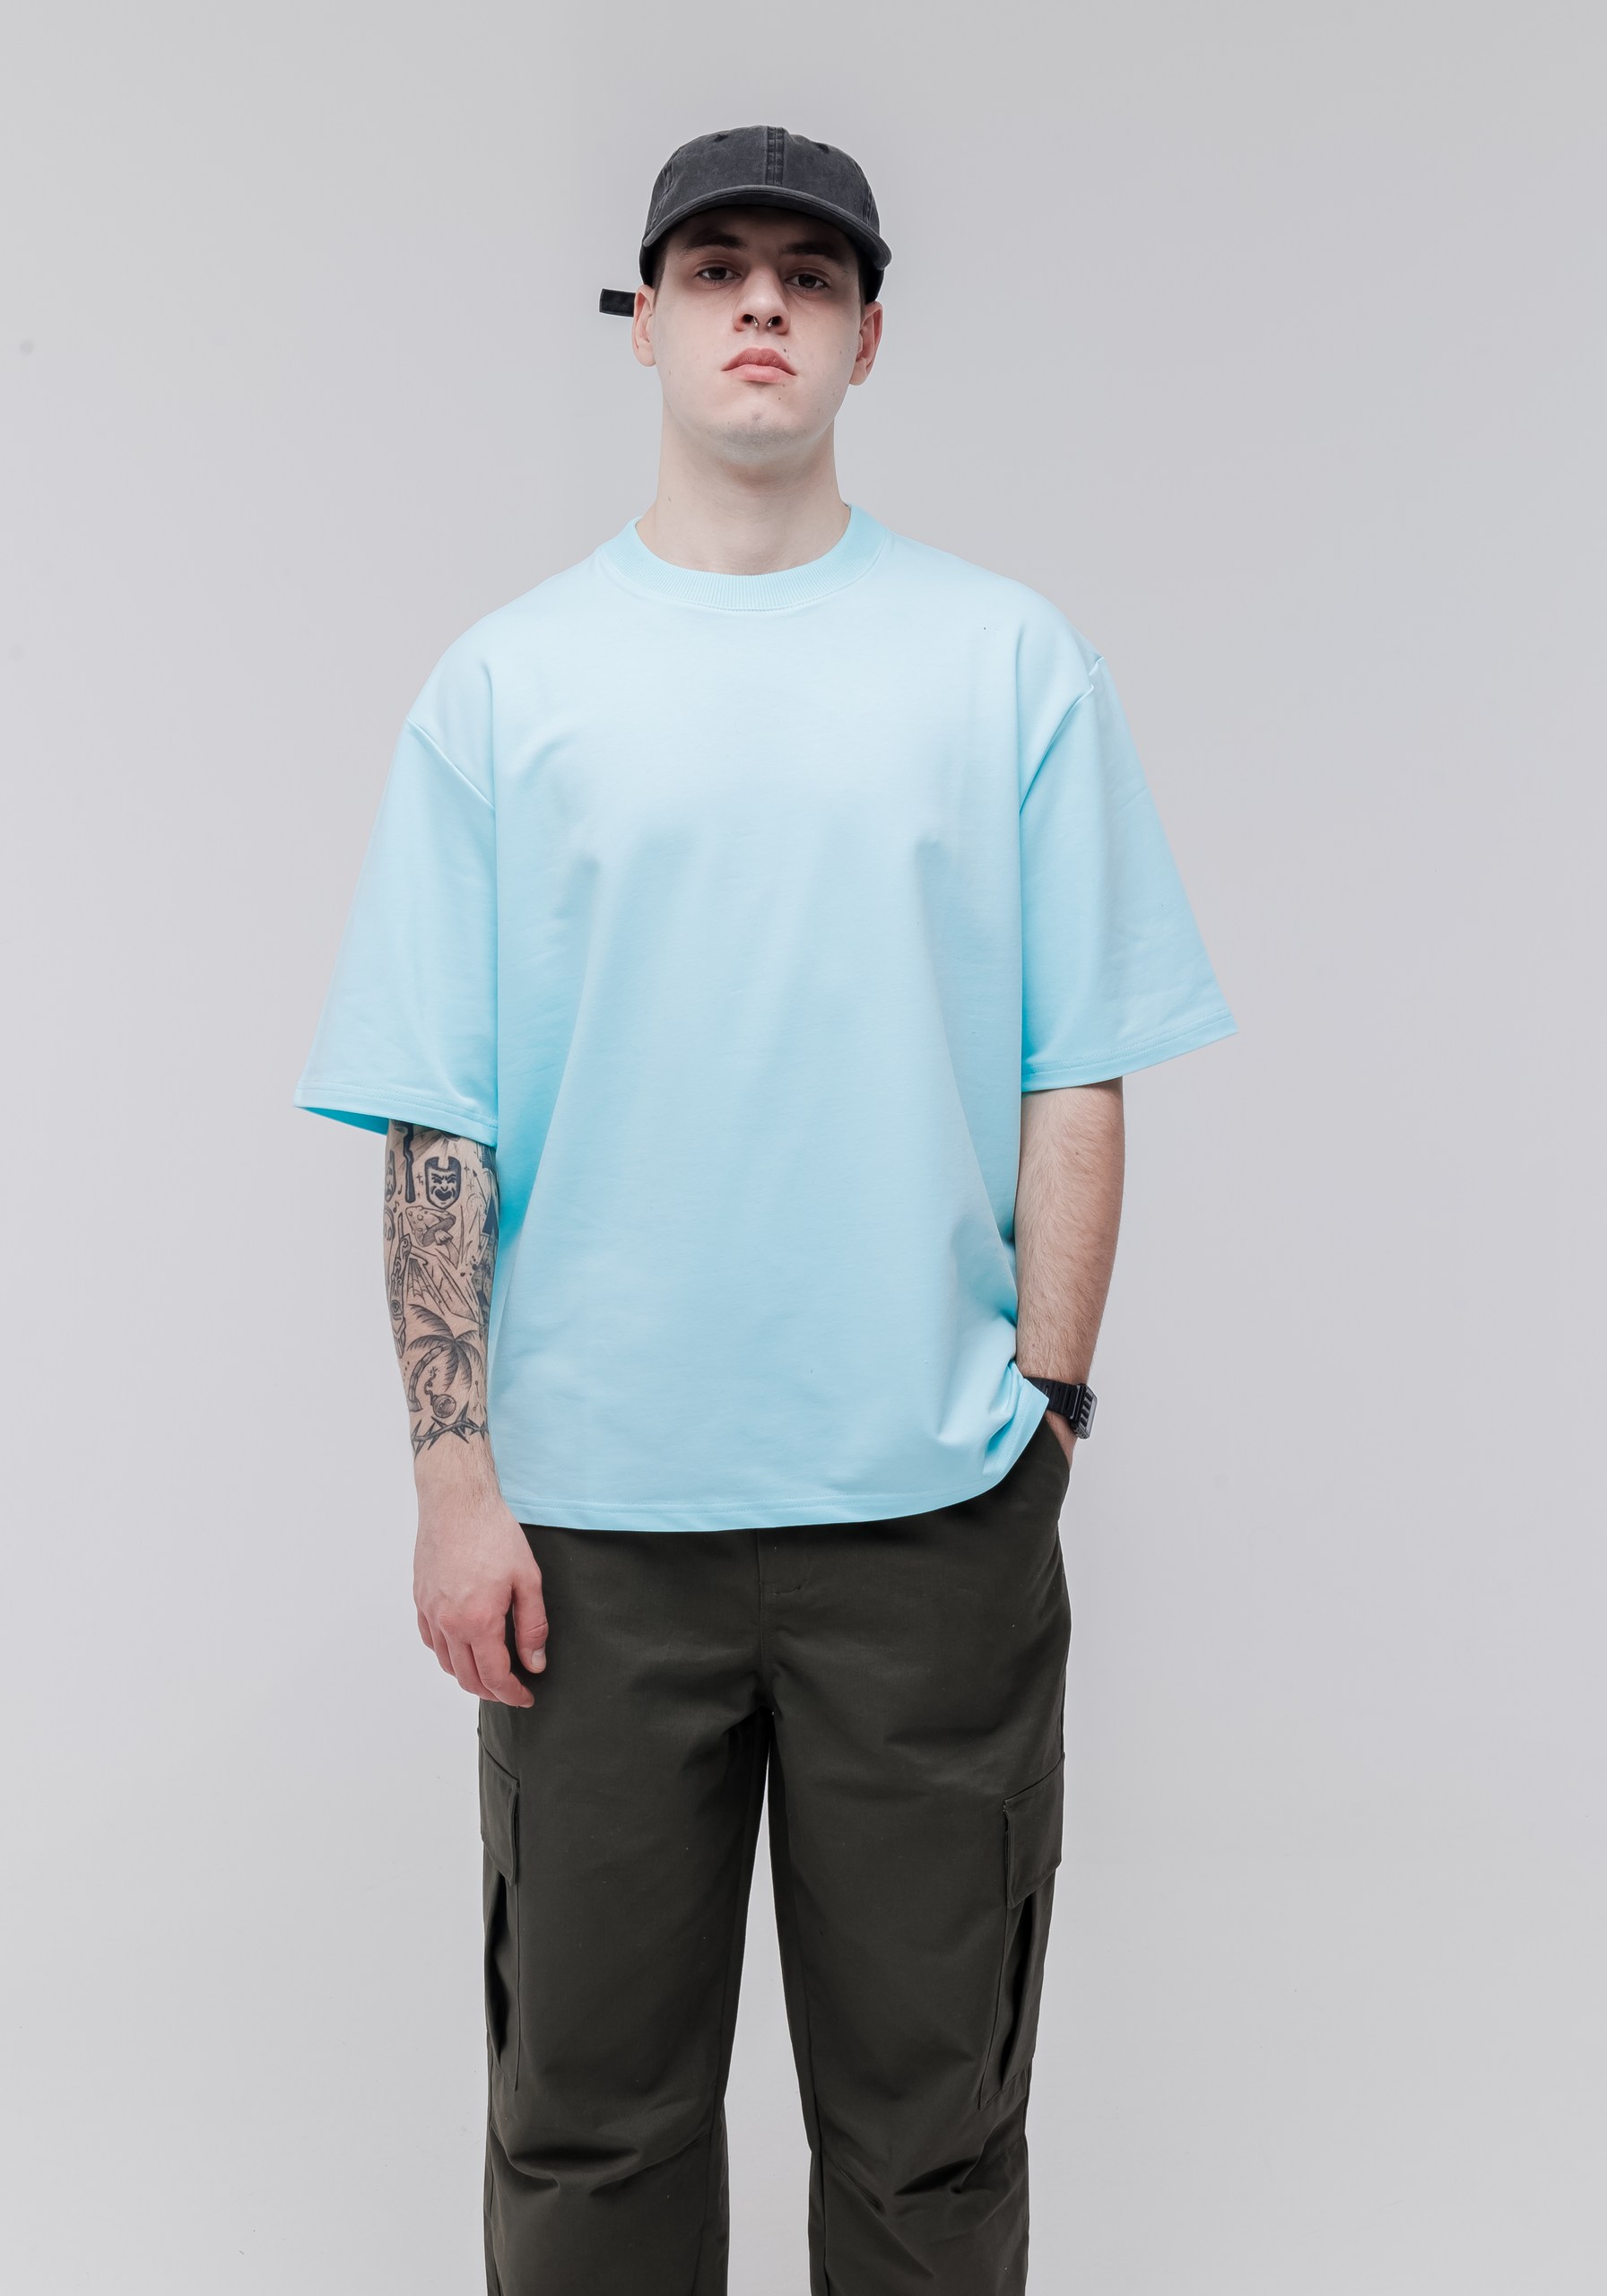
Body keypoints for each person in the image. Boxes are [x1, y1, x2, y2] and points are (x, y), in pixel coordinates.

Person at [294, 123, 1235, 2296]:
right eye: (715, 266)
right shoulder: (506, 686)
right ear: (642, 320)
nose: (759, 306)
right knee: (589, 2125)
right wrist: (454, 1477)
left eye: (810, 277)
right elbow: (436, 1118)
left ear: (867, 337)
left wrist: (1048, 1404)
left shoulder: (1007, 660)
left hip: (929, 1517)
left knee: (932, 2132)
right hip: (590, 1539)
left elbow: (1075, 1060)